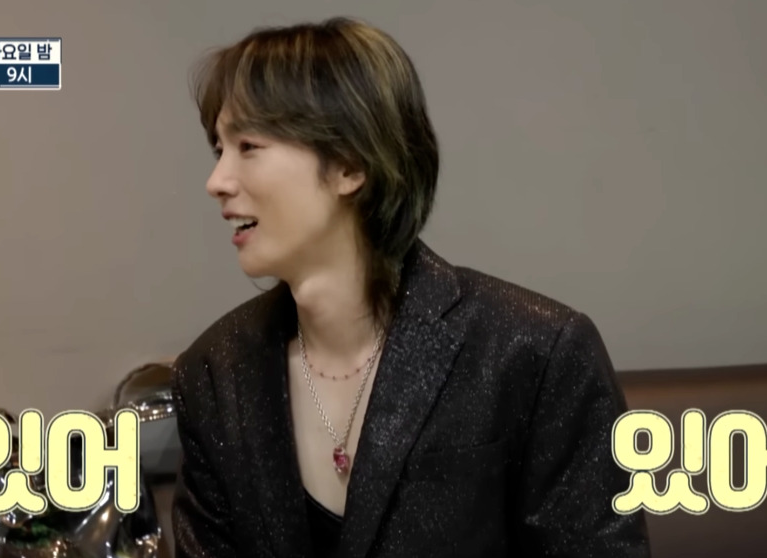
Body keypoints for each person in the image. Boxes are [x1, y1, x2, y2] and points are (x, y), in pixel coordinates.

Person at [170, 16, 651, 558]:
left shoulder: (535, 353)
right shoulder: (214, 374)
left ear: (349, 163)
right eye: (218, 150)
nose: (217, 182)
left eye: (248, 146)